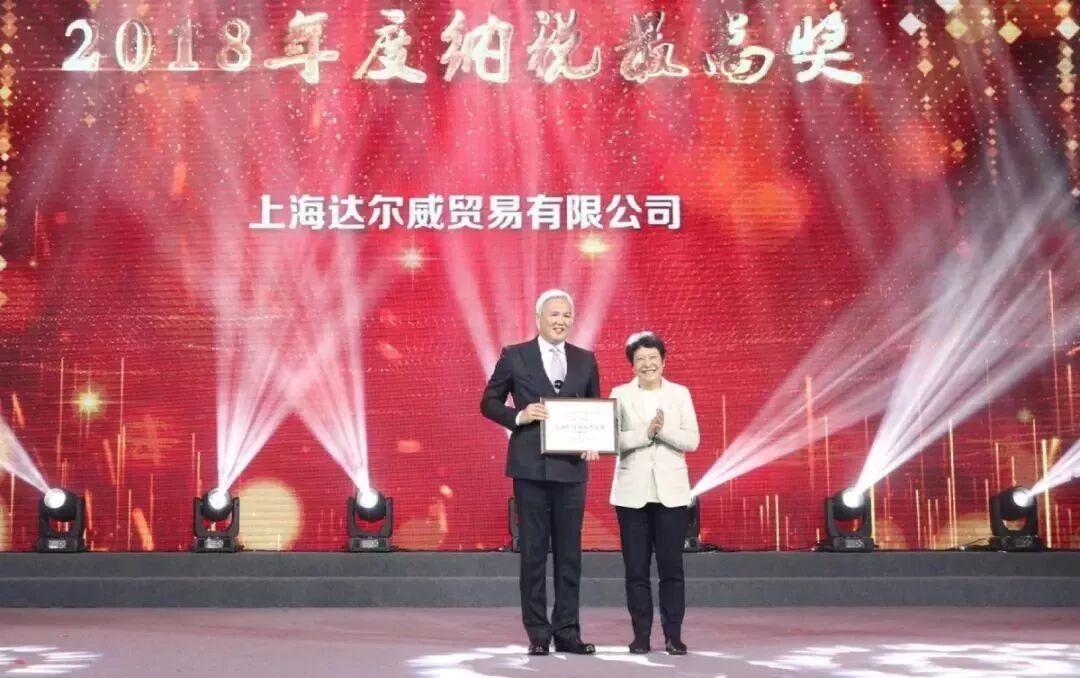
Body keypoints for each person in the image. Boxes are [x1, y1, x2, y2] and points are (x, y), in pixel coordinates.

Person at [480, 289, 601, 656]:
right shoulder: (515, 355)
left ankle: (568, 631)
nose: (560, 321)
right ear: (538, 318)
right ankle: (538, 633)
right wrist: (519, 415)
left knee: (569, 555)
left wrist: (594, 440)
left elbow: (595, 408)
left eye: (566, 315)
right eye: (554, 314)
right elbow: (488, 402)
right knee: (533, 552)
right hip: (530, 468)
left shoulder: (585, 360)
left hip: (572, 469)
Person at [609, 331, 700, 655]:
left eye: (653, 358)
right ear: (632, 365)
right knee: (636, 571)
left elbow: (692, 440)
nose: (647, 364)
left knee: (671, 569)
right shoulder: (619, 394)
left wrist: (663, 431)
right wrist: (645, 433)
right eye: (640, 359)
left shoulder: (680, 394)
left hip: (671, 495)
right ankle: (641, 637)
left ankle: (673, 637)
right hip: (631, 494)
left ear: (663, 361)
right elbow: (611, 441)